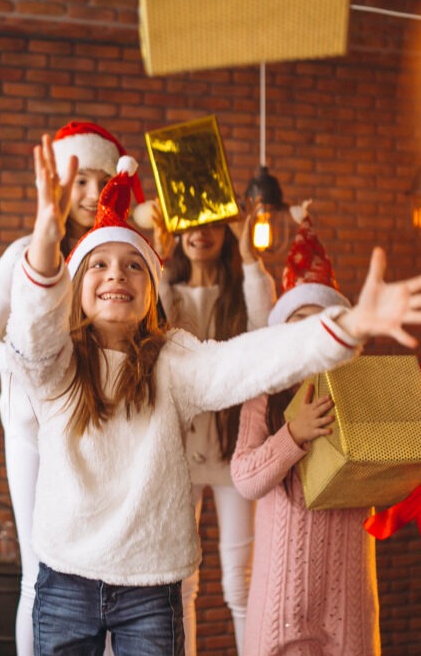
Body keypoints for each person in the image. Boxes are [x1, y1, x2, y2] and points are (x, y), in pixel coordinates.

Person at [8, 135, 421, 655]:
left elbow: (251, 360)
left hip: (151, 585)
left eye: (132, 265)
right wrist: (45, 234)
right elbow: (33, 326)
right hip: (66, 577)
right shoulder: (54, 362)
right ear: (77, 283)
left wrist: (347, 325)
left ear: (151, 290)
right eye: (99, 265)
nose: (116, 275)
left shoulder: (174, 361)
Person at [229, 207, 421, 656]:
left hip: (349, 603)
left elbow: (394, 485)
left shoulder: (360, 389)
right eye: (298, 322)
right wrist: (293, 435)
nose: (310, 334)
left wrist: (411, 413)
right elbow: (244, 478)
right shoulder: (264, 392)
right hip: (281, 607)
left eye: (322, 322)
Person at [0, 121, 130, 654]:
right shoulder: (21, 257)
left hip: (100, 430)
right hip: (34, 430)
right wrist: (26, 364)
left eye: (99, 182)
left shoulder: (120, 261)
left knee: (103, 571)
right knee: (40, 572)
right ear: (56, 183)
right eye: (77, 180)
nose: (86, 193)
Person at [155, 211, 275, 655]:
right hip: (177, 456)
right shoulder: (168, 290)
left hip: (234, 453)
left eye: (211, 224)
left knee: (238, 582)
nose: (199, 234)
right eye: (189, 225)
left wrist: (250, 259)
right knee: (181, 584)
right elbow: (149, 329)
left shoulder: (241, 293)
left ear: (227, 231)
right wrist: (157, 254)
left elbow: (268, 335)